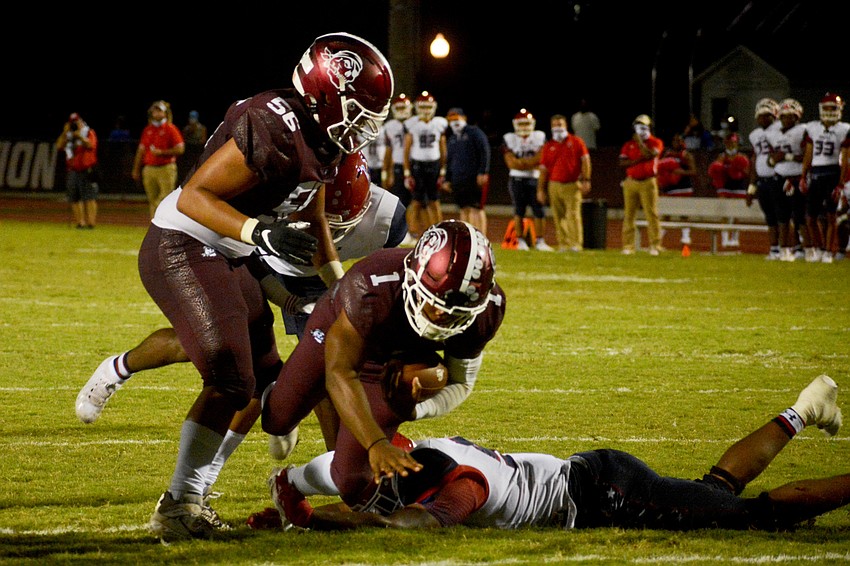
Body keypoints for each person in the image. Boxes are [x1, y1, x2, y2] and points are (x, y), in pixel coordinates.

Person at [134, 32, 394, 543]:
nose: (363, 127)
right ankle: (178, 505)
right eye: (359, 111)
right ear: (326, 92)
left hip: (229, 251)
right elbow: (193, 197)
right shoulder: (273, 122)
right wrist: (261, 232)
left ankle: (190, 498)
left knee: (261, 378)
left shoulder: (322, 138)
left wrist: (340, 288)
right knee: (232, 378)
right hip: (184, 242)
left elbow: (316, 219)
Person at [269, 374, 846, 533]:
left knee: (751, 518)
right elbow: (298, 477)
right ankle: (804, 408)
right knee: (714, 494)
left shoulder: (455, 477)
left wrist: (328, 520)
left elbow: (427, 519)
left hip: (605, 493)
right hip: (594, 475)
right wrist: (289, 504)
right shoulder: (384, 462)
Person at [260, 220, 506, 519]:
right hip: (341, 332)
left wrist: (413, 409)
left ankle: (288, 482)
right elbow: (340, 372)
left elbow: (460, 383)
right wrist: (375, 442)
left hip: (394, 363)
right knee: (276, 419)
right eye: (435, 304)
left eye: (456, 314)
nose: (442, 317)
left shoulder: (487, 310)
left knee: (352, 481)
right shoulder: (372, 284)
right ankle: (281, 395)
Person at [800, 92, 850, 263]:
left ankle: (829, 251)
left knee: (830, 216)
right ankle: (820, 248)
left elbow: (844, 159)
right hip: (816, 173)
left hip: (833, 173)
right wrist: (803, 175)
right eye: (826, 107)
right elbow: (808, 154)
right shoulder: (812, 127)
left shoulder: (845, 129)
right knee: (810, 217)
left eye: (832, 108)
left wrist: (841, 183)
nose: (829, 111)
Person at [536, 114, 591, 253]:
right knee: (558, 217)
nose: (557, 128)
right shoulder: (548, 146)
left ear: (566, 126)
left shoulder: (576, 141)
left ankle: (576, 244)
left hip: (572, 184)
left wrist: (586, 179)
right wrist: (541, 189)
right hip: (554, 185)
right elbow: (543, 169)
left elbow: (585, 161)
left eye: (560, 125)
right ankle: (564, 244)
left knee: (573, 215)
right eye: (554, 125)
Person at [502, 109, 550, 251]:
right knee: (518, 210)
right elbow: (511, 163)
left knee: (539, 211)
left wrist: (521, 163)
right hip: (516, 179)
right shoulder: (509, 138)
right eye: (521, 124)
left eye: (526, 124)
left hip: (534, 178)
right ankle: (520, 240)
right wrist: (531, 162)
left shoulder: (539, 136)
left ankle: (540, 241)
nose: (524, 127)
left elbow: (541, 158)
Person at [767, 98, 808, 262]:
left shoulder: (803, 130)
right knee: (781, 216)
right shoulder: (773, 134)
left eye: (790, 116)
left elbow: (806, 156)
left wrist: (785, 156)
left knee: (800, 215)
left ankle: (809, 249)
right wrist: (774, 160)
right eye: (783, 116)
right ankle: (785, 249)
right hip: (779, 176)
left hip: (797, 177)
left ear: (797, 117)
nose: (786, 119)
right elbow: (770, 160)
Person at [403, 91, 448, 237]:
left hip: (434, 165)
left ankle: (439, 231)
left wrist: (442, 169)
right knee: (416, 201)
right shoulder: (412, 124)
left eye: (428, 107)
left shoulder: (439, 123)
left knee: (434, 201)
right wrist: (407, 172)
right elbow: (406, 149)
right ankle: (411, 232)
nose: (426, 111)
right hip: (417, 165)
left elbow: (443, 148)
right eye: (423, 107)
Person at [132, 100, 186, 218]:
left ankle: (164, 224)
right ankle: (154, 227)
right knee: (152, 199)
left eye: (159, 111)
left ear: (165, 113)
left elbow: (180, 149)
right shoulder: (148, 129)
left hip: (165, 168)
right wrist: (136, 169)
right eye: (154, 111)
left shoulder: (170, 129)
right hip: (149, 168)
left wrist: (162, 152)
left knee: (164, 199)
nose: (156, 113)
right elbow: (141, 151)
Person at [619, 114, 663, 255]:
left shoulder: (656, 142)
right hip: (631, 181)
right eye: (638, 127)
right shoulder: (628, 145)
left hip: (648, 181)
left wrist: (640, 144)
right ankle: (628, 246)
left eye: (644, 127)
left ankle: (654, 246)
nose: (641, 130)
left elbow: (650, 155)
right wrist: (638, 160)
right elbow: (622, 163)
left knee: (651, 214)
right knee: (629, 215)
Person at [443, 107, 490, 235]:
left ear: (464, 118)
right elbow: (449, 161)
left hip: (473, 177)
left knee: (476, 208)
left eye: (456, 118)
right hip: (459, 179)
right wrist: (447, 179)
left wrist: (483, 171)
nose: (454, 122)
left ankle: (481, 237)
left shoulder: (474, 132)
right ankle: (468, 237)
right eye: (451, 119)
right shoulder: (452, 138)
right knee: (464, 208)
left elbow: (484, 151)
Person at [747, 98, 783, 260]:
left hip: (779, 178)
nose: (764, 118)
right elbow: (755, 160)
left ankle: (788, 248)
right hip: (763, 180)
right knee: (770, 216)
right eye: (761, 116)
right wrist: (751, 186)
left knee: (783, 215)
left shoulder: (781, 130)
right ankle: (775, 248)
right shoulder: (756, 135)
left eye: (767, 115)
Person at [381, 94, 417, 246]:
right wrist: (386, 172)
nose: (402, 111)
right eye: (399, 108)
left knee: (417, 201)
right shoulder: (389, 126)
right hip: (398, 166)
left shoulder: (416, 123)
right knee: (400, 201)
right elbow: (389, 151)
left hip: (415, 165)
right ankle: (404, 232)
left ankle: (415, 231)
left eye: (404, 107)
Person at [55, 112, 99, 229]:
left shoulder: (89, 132)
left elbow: (91, 146)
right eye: (72, 123)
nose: (75, 124)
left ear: (81, 121)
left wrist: (79, 135)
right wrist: (65, 133)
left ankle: (91, 223)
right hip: (73, 169)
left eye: (76, 122)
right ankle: (80, 222)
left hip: (87, 169)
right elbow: (59, 146)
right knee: (74, 197)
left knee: (89, 197)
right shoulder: (68, 136)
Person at [708, 133, 751, 248]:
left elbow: (747, 173)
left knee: (737, 214)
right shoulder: (721, 156)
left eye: (733, 142)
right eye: (728, 143)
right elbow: (714, 172)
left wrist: (738, 168)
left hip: (739, 187)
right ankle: (724, 238)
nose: (731, 145)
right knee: (724, 212)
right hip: (725, 186)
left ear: (737, 143)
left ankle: (735, 238)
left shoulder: (742, 157)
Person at [656, 133, 697, 245]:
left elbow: (694, 171)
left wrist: (681, 172)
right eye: (674, 140)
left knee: (684, 214)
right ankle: (658, 239)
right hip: (670, 188)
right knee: (666, 214)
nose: (676, 142)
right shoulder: (667, 154)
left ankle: (685, 236)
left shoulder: (686, 155)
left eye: (679, 140)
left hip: (683, 188)